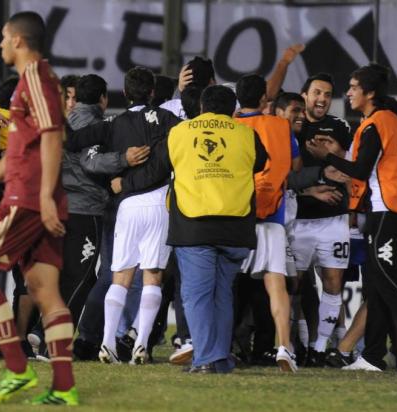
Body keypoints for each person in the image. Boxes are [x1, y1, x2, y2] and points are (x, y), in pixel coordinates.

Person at [0, 12, 78, 405]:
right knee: (46, 292)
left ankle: (17, 369)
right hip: (37, 197)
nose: (1, 45)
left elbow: (52, 139)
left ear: (20, 42)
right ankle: (63, 387)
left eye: (5, 38)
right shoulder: (36, 81)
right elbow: (20, 152)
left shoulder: (37, 80)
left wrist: (42, 196)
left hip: (26, 199)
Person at [117, 85, 268, 373]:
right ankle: (220, 357)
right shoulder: (246, 133)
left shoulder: (180, 132)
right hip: (236, 225)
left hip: (195, 224)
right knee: (222, 293)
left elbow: (156, 170)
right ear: (232, 109)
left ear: (200, 107)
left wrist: (123, 184)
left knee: (197, 295)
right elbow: (260, 163)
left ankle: (206, 360)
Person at [307, 64, 397, 376]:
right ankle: (371, 355)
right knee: (381, 283)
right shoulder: (387, 122)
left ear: (369, 93)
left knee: (386, 279)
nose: (349, 93)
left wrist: (326, 157)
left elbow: (359, 170)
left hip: (389, 212)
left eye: (354, 87)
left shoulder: (375, 124)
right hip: (389, 211)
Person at [66, 67, 180, 365]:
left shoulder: (113, 124)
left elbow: (74, 141)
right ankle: (140, 344)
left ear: (125, 94)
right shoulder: (171, 121)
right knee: (152, 276)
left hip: (126, 206)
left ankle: (106, 344)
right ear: (153, 93)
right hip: (159, 204)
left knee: (120, 275)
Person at [234, 74, 301, 372]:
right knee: (277, 286)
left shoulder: (232, 127)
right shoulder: (282, 126)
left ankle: (219, 346)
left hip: (239, 216)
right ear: (264, 99)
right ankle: (284, 347)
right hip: (274, 217)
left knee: (228, 287)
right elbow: (294, 165)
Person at [293, 73, 353, 365]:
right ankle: (302, 345)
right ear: (304, 95)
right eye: (317, 92)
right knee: (295, 284)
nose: (322, 99)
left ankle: (319, 348)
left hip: (334, 219)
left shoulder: (340, 126)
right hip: (299, 219)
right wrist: (311, 190)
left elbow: (352, 168)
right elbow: (285, 174)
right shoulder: (293, 126)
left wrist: (334, 152)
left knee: (332, 282)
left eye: (328, 95)